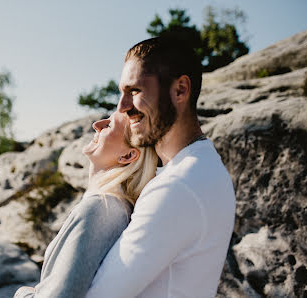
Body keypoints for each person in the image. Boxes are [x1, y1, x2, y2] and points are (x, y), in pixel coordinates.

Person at [85, 36, 236, 297]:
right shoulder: (201, 167)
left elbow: (96, 295)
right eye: (121, 93)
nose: (123, 107)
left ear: (180, 90)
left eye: (135, 91)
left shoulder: (180, 186)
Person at [14, 111, 158, 298]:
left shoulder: (100, 209)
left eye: (109, 125)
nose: (97, 124)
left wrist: (22, 293)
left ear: (128, 155)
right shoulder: (113, 208)